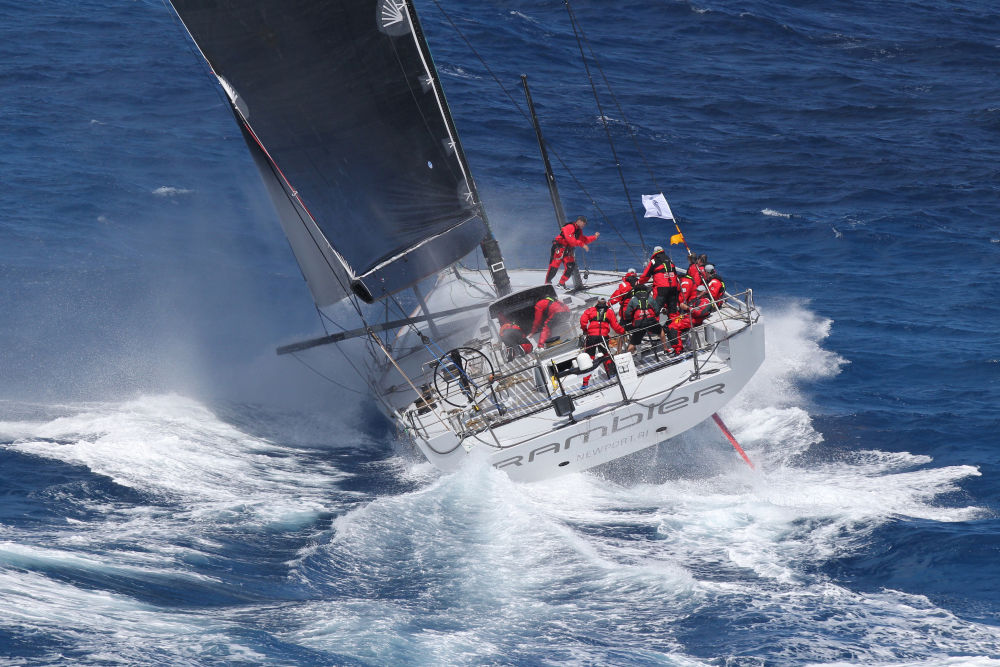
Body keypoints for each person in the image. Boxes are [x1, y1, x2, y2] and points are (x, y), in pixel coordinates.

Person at [579, 297, 625, 387]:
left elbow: (583, 320)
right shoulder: (610, 312)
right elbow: (615, 326)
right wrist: (623, 331)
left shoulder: (590, 310)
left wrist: (584, 329)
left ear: (598, 302)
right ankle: (612, 375)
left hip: (591, 337)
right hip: (603, 337)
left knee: (589, 359)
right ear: (606, 302)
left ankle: (585, 383)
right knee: (606, 356)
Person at [544, 215, 599, 289]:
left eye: (585, 224)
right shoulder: (570, 227)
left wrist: (594, 237)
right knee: (554, 267)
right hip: (559, 249)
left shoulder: (578, 230)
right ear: (579, 221)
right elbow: (571, 240)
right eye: (584, 223)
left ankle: (561, 284)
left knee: (571, 266)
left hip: (568, 250)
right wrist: (582, 245)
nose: (584, 225)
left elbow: (584, 239)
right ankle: (547, 284)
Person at [666, 285, 713, 355]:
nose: (697, 292)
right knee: (670, 324)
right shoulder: (697, 299)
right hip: (688, 317)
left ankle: (679, 349)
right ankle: (676, 348)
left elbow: (699, 313)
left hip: (695, 320)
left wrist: (687, 308)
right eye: (697, 291)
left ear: (704, 292)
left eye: (699, 292)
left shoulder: (705, 301)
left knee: (673, 327)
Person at [622, 284, 667, 354]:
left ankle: (629, 358)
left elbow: (627, 314)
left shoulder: (633, 300)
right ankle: (665, 348)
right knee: (661, 330)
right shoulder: (650, 298)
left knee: (633, 342)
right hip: (651, 322)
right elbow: (657, 311)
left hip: (639, 324)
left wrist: (631, 319)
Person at [638, 245, 680, 316]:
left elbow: (645, 276)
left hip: (661, 289)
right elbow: (676, 276)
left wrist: (639, 282)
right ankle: (674, 325)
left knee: (655, 310)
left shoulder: (654, 261)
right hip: (673, 288)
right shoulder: (670, 261)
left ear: (654, 252)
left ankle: (654, 326)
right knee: (672, 310)